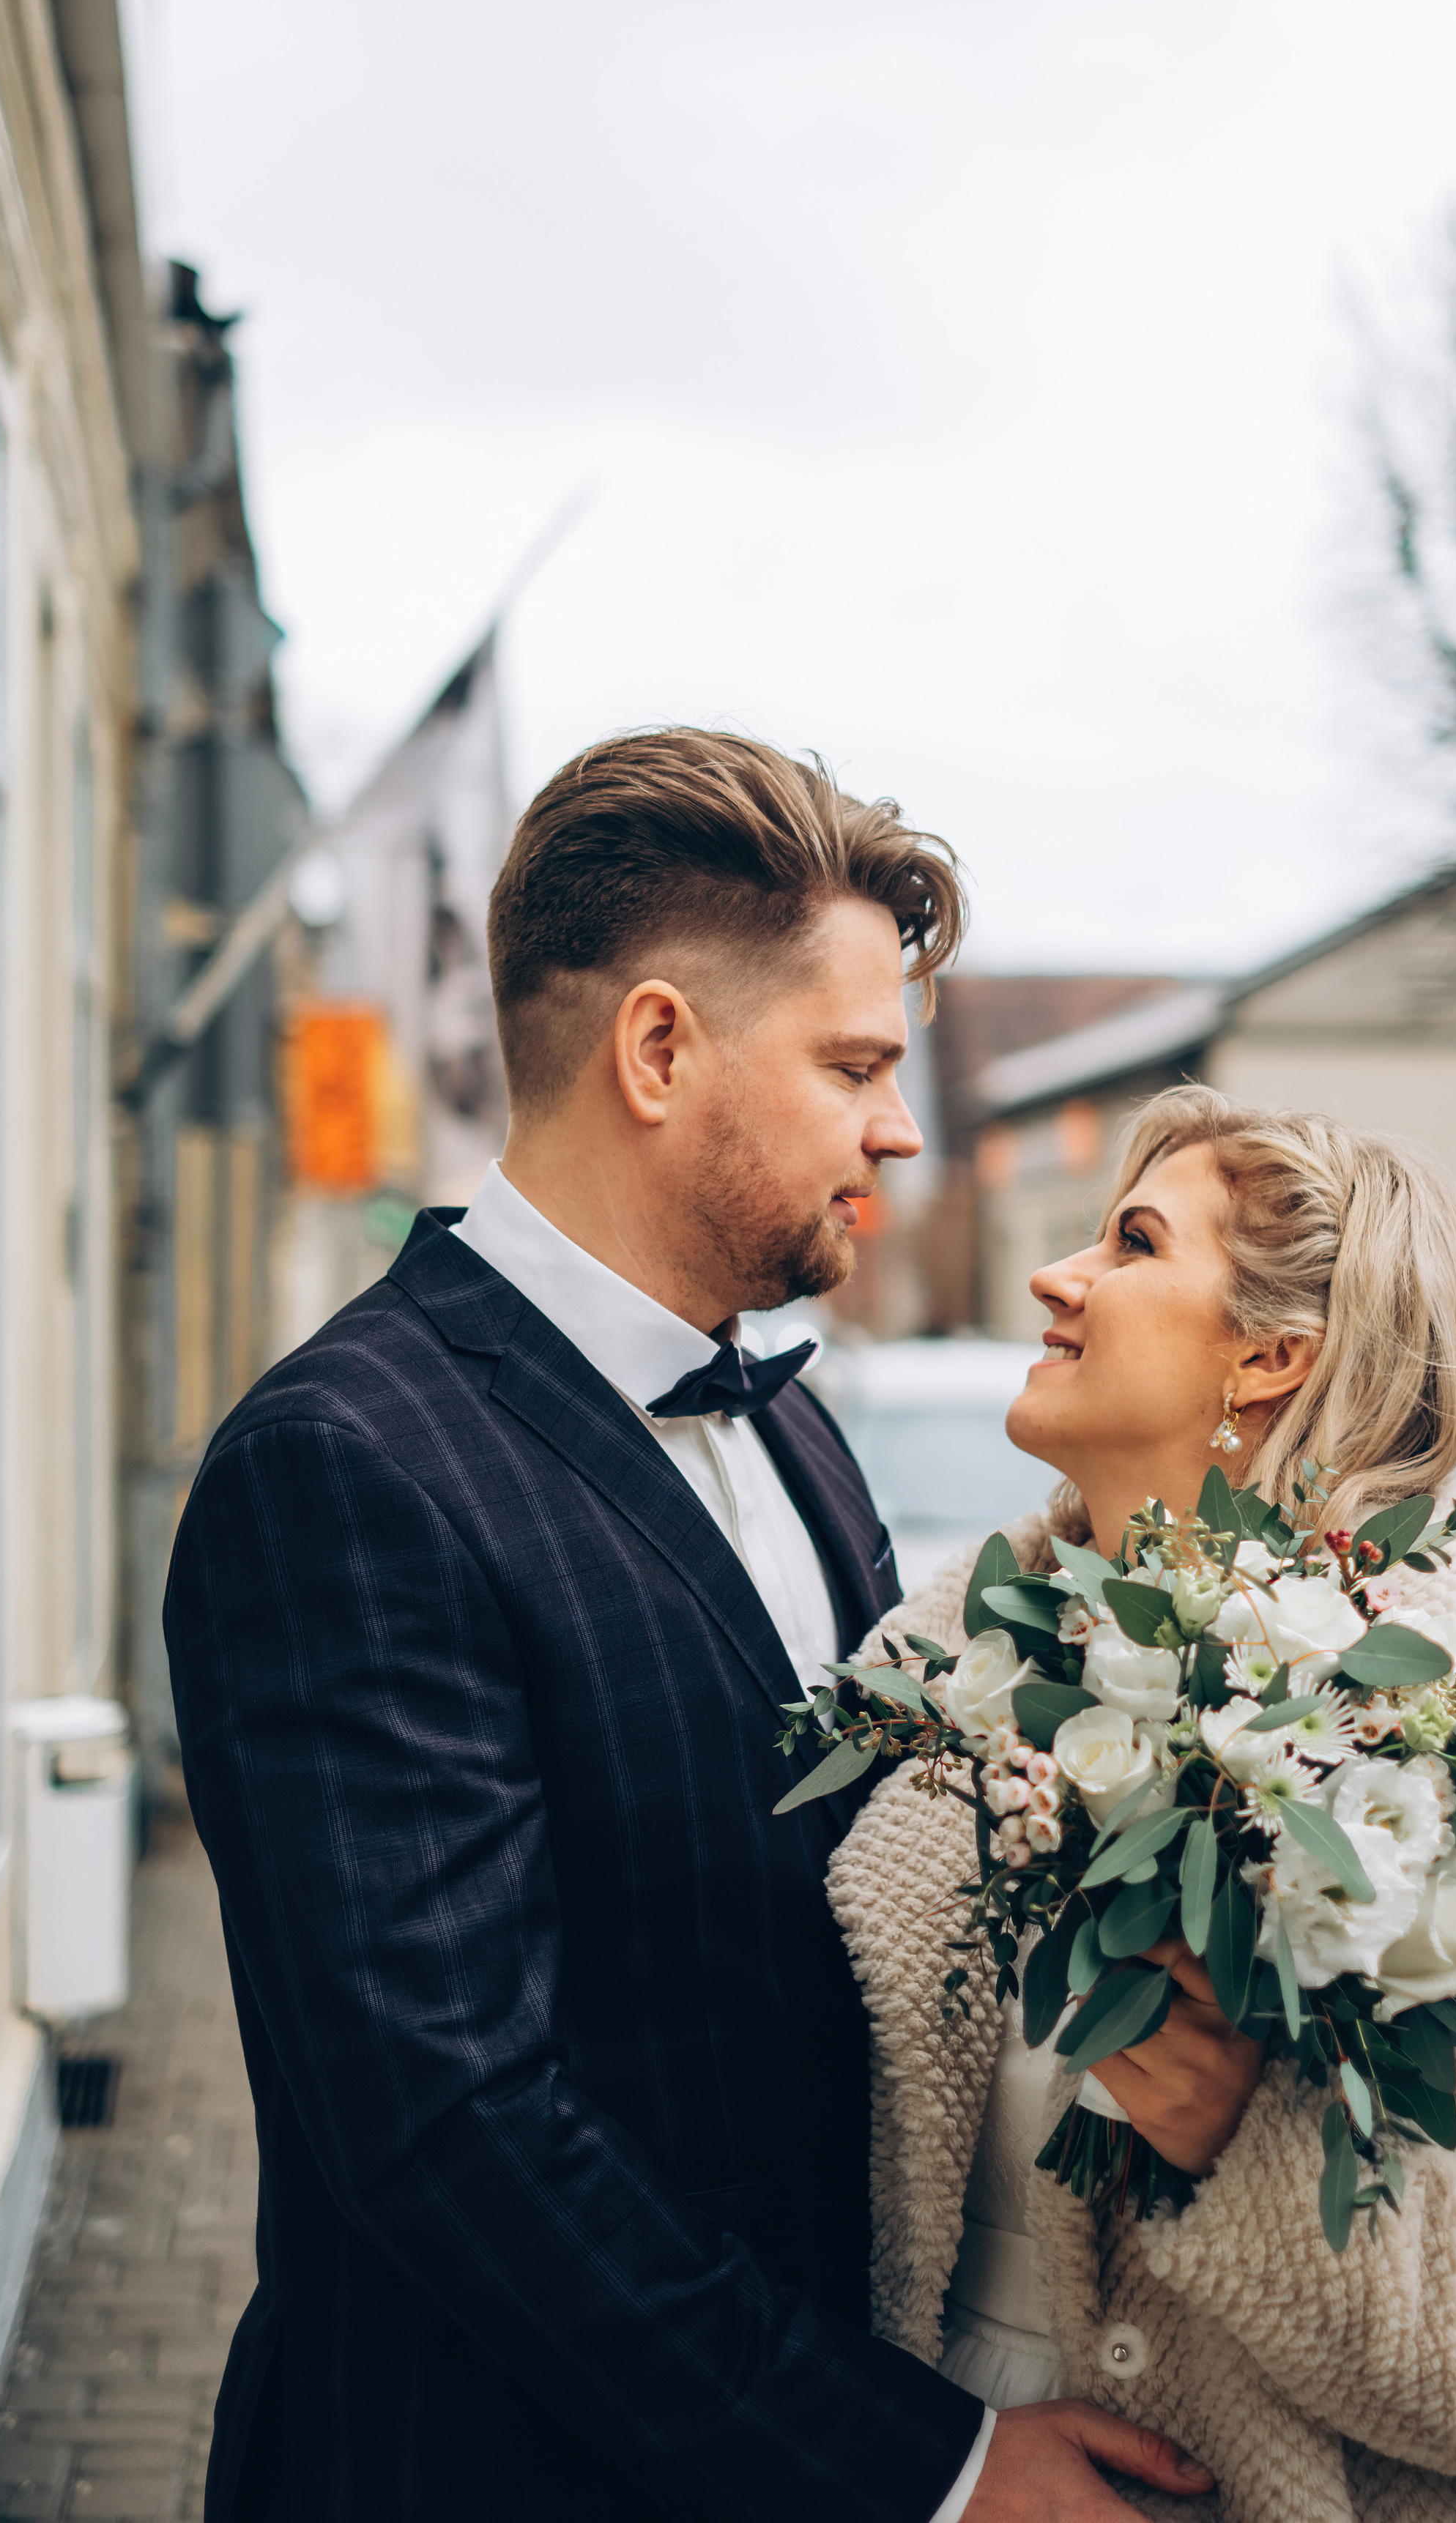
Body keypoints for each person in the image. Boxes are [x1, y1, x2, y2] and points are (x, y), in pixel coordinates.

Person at [164, 730, 1215, 2523]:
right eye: (854, 1065)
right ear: (659, 1048)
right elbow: (454, 2131)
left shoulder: (794, 1422)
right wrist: (938, 2471)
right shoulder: (340, 1469)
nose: (895, 1124)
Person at [828, 1085, 1456, 2521]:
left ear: (1267, 1358)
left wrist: (1259, 2154)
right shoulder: (930, 1679)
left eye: (1130, 1244)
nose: (1055, 1276)